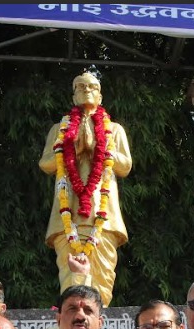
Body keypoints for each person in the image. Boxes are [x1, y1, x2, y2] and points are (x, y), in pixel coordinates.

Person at [40, 71, 132, 307]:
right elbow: (45, 164)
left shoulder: (115, 130)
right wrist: (68, 149)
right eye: (80, 86)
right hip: (66, 215)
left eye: (91, 86)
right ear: (73, 97)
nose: (85, 89)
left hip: (104, 217)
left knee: (103, 279)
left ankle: (99, 326)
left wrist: (99, 149)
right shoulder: (59, 129)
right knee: (70, 280)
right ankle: (73, 327)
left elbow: (125, 166)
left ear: (100, 96)